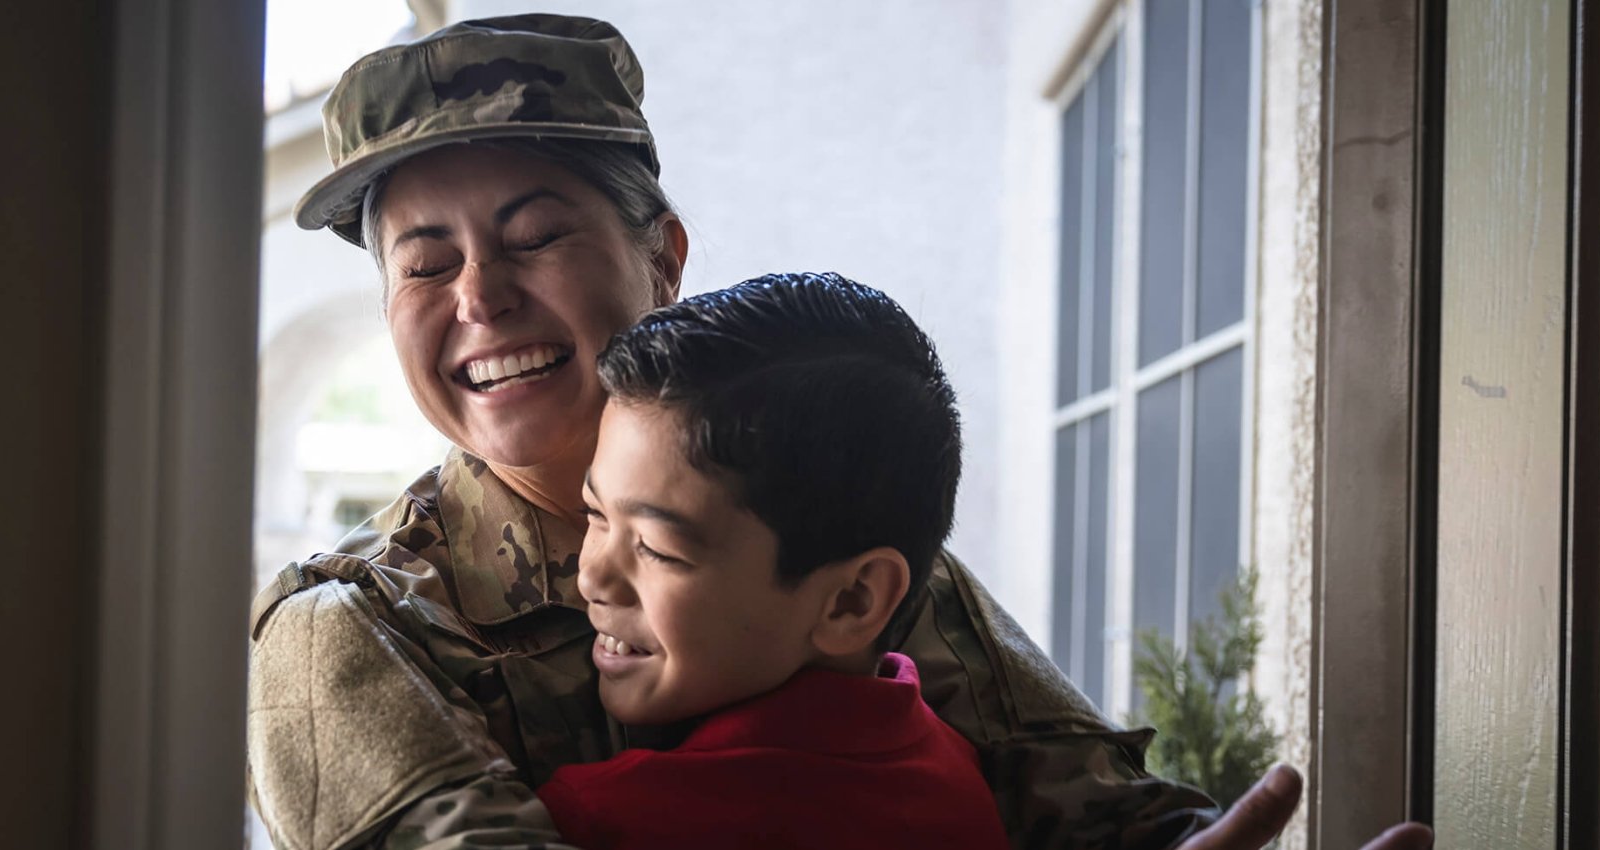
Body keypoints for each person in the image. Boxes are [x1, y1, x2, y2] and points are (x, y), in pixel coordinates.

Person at [245, 13, 1433, 850]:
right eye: (425, 262)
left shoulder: (819, 516)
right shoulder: (350, 635)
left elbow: (1089, 811)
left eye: (534, 233)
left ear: (663, 259)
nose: (480, 298)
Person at [532, 272, 1009, 849]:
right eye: (596, 514)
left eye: (656, 548)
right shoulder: (957, 767)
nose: (592, 576)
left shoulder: (612, 820)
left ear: (851, 601)